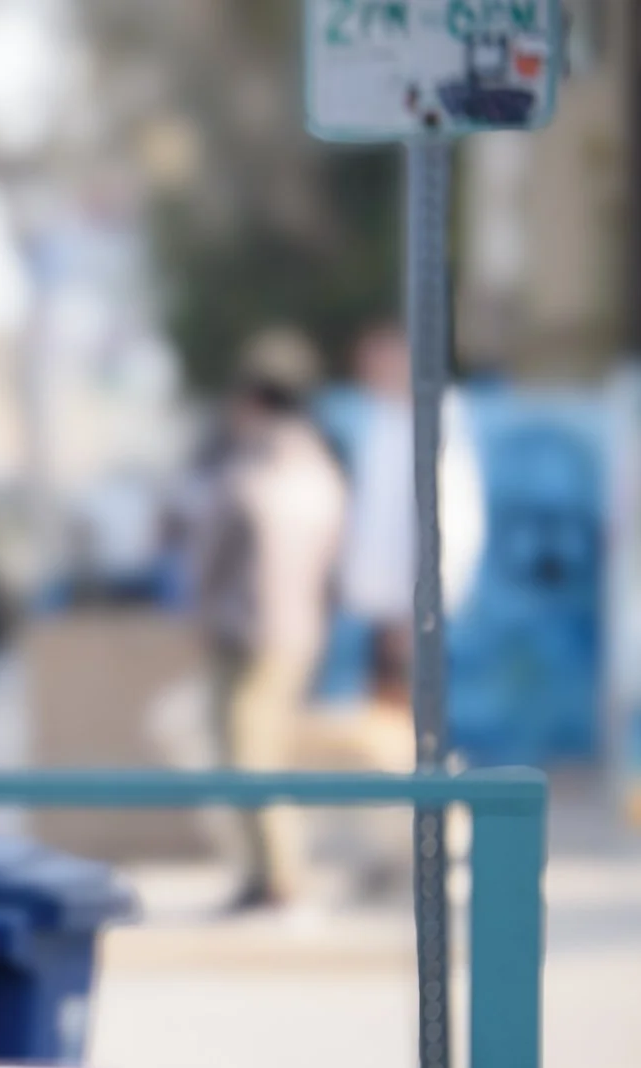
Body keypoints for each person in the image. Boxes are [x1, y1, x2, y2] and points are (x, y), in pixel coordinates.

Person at [189, 328, 350, 910]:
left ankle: (274, 875)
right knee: (266, 750)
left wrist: (203, 611)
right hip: (299, 630)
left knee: (245, 757)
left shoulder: (251, 468)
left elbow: (213, 550)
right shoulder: (320, 467)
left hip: (244, 631)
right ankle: (275, 870)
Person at [336, 320, 485, 731]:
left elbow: (446, 513)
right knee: (384, 700)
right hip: (388, 599)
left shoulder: (436, 417)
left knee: (410, 703)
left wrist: (424, 592)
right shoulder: (385, 420)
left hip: (414, 596)